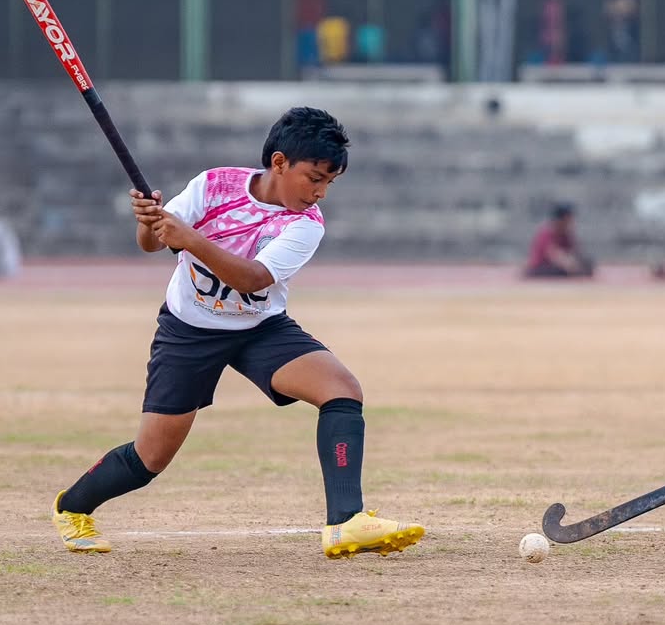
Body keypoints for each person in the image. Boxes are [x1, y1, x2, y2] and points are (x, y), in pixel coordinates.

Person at [50, 107, 424, 560]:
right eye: (314, 178)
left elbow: (252, 279)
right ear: (280, 162)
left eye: (329, 183)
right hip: (189, 331)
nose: (320, 192)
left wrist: (190, 238)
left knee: (341, 390)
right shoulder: (215, 185)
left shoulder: (306, 224)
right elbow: (151, 244)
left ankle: (346, 521)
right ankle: (72, 508)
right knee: (150, 457)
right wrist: (149, 222)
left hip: (259, 327)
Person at [524, 203, 594, 278]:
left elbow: (574, 252)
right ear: (560, 220)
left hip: (558, 265)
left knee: (586, 265)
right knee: (561, 272)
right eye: (568, 219)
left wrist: (578, 263)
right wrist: (572, 265)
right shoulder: (546, 234)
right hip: (540, 267)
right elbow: (555, 255)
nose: (571, 222)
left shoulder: (566, 235)